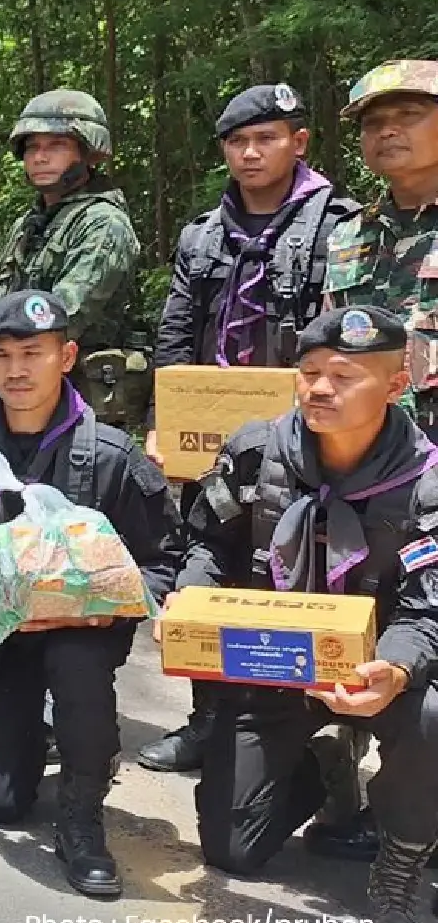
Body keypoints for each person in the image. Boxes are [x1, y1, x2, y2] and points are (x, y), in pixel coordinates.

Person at [175, 306, 438, 923]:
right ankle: (325, 763)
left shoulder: (429, 484)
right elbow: (209, 544)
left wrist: (393, 671)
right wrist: (189, 600)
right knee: (232, 849)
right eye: (310, 371)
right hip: (274, 663)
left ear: (396, 384)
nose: (319, 388)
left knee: (432, 714)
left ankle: (402, 868)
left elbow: (428, 612)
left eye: (343, 376)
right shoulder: (255, 451)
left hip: (381, 670)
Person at [0, 291, 180, 898]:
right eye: (1, 356)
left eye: (33, 354)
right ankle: (36, 733)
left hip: (81, 639)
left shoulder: (111, 456)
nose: (17, 371)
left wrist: (106, 605)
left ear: (67, 356)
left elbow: (163, 561)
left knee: (79, 673)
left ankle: (83, 812)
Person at [136, 83, 360, 775]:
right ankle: (209, 721)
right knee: (208, 568)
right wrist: (164, 421)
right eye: (238, 141)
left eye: (267, 137)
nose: (251, 152)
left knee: (306, 575)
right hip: (213, 441)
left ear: (299, 141)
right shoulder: (204, 233)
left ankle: (314, 736)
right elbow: (176, 333)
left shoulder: (341, 225)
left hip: (308, 434)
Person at [0, 89, 145, 426]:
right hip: (24, 400)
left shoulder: (103, 224)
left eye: (56, 146)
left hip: (83, 410)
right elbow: (0, 307)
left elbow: (59, 320)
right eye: (32, 147)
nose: (40, 157)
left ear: (89, 152)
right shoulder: (29, 224)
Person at [323, 60, 438, 436]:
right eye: (373, 123)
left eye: (409, 114)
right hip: (369, 446)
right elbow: (328, 344)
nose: (387, 130)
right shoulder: (349, 235)